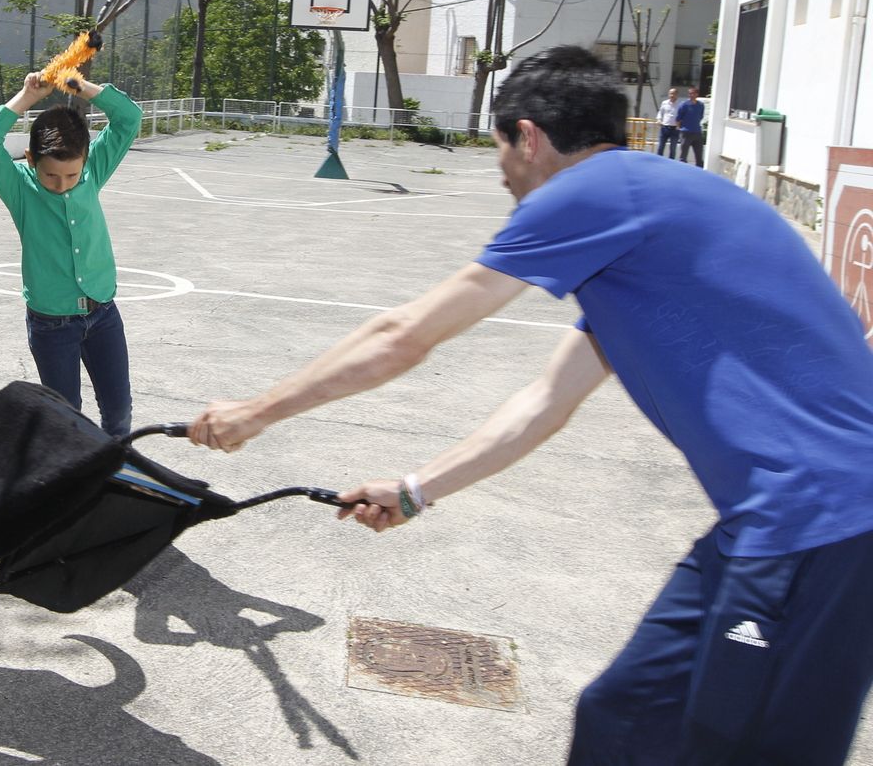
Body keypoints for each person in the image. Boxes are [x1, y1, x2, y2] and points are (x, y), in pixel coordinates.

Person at [188, 46, 873, 764]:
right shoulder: (643, 219)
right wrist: (416, 491)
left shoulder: (594, 193)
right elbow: (546, 401)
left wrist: (256, 411)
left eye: (503, 158)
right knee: (626, 713)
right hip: (769, 521)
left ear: (530, 136)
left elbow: (404, 335)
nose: (507, 180)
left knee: (740, 744)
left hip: (821, 522)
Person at [0, 70, 142, 437]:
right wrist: (29, 96)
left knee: (119, 411)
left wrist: (80, 86)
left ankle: (111, 478)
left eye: (71, 175)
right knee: (65, 420)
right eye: (51, 176)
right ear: (31, 159)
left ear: (85, 159)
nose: (62, 185)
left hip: (103, 314)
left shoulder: (94, 170)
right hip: (52, 324)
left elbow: (129, 118)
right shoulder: (20, 188)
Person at [675, 86, 705, 165]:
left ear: (697, 94)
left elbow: (701, 116)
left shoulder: (701, 105)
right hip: (686, 133)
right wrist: (679, 129)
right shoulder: (684, 105)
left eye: (692, 93)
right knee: (683, 156)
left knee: (699, 156)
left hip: (697, 132)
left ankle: (699, 172)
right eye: (689, 93)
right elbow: (678, 118)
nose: (690, 95)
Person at [655, 86, 679, 158]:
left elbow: (682, 116)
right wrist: (659, 120)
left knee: (673, 149)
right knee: (660, 147)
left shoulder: (680, 105)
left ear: (677, 95)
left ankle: (671, 164)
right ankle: (658, 162)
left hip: (675, 129)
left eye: (673, 94)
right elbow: (660, 113)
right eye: (670, 94)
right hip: (664, 128)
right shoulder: (664, 103)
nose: (672, 95)